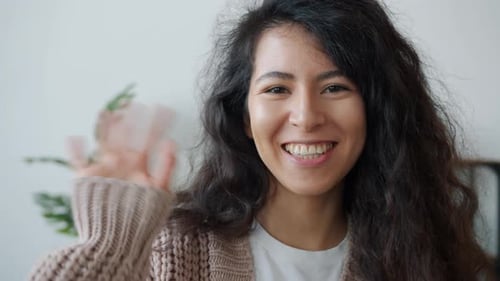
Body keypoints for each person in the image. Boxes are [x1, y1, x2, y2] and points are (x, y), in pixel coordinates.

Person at [29, 0, 492, 280]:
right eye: (276, 89)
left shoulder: (424, 252)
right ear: (245, 117)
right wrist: (111, 243)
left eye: (335, 87)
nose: (306, 116)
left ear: (374, 110)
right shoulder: (173, 250)